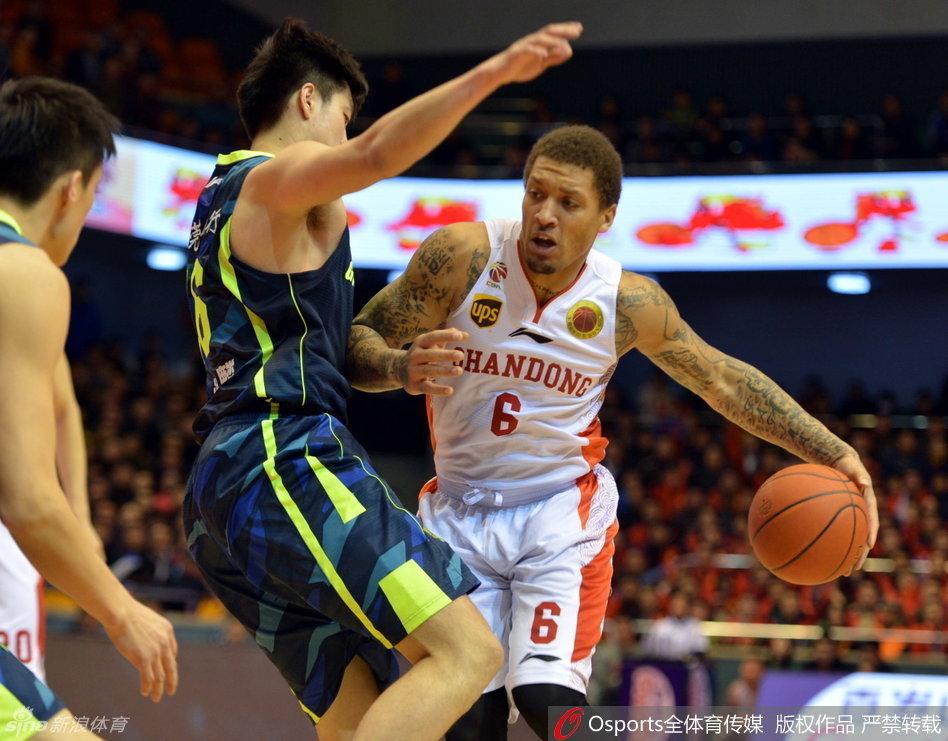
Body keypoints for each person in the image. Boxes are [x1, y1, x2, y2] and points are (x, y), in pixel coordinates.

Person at [347, 124, 880, 740]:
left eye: (568, 203)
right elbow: (359, 340)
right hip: (459, 510)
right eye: (534, 194)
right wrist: (396, 368)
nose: (544, 216)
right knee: (469, 720)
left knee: (547, 701)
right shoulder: (462, 258)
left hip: (557, 513)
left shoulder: (629, 303)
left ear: (605, 217)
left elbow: (723, 382)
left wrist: (835, 451)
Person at [182, 16, 582, 741]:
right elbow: (375, 153)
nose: (343, 136)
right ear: (308, 101)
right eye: (340, 115)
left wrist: (399, 366)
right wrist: (493, 73)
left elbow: (327, 354)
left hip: (228, 485)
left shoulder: (218, 200)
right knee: (468, 653)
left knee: (360, 720)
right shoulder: (269, 180)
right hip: (285, 459)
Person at [0, 77, 178, 738]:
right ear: (71, 188)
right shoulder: (25, 274)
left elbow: (66, 413)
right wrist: (119, 608)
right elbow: (27, 501)